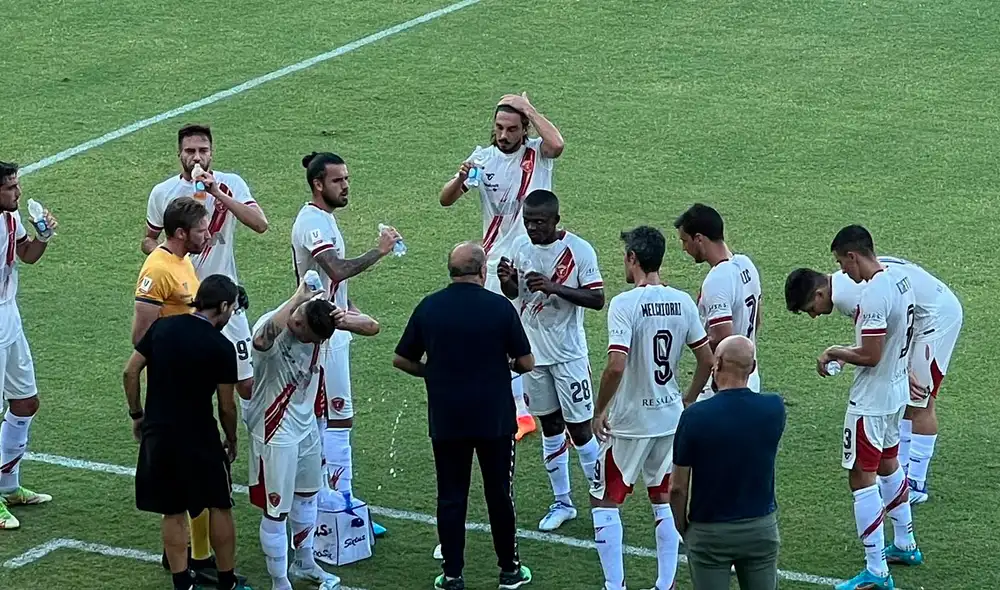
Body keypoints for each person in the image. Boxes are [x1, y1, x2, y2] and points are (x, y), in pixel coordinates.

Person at [393, 242, 535, 590]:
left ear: (450, 271)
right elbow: (527, 362)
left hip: (448, 417)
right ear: (483, 271)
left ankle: (453, 574)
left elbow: (401, 359)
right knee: (500, 493)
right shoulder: (499, 308)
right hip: (495, 419)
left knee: (451, 496)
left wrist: (433, 372)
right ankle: (509, 570)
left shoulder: (430, 308)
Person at [590, 226, 714, 590]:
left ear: (633, 259)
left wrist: (600, 411)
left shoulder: (625, 304)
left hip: (630, 422)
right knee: (662, 497)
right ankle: (665, 584)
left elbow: (615, 365)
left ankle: (615, 586)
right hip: (669, 418)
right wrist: (687, 399)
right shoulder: (682, 301)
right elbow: (706, 359)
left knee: (605, 499)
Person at [784, 256, 963, 504]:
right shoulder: (849, 281)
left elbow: (884, 338)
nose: (814, 316)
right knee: (907, 396)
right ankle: (901, 472)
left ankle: (916, 483)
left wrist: (903, 367)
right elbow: (877, 335)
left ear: (818, 294)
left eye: (810, 309)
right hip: (922, 313)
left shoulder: (849, 296)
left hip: (936, 318)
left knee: (920, 399)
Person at [440, 93, 565, 440]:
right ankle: (521, 412)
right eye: (499, 127)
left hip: (541, 256)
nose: (504, 134)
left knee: (546, 330)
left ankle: (553, 407)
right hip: (498, 261)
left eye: (512, 128)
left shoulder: (536, 153)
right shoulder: (481, 159)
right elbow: (446, 199)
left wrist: (530, 108)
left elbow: (558, 143)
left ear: (524, 129)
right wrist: (459, 179)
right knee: (504, 334)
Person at [290, 152, 395, 535]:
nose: (346, 185)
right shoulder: (311, 222)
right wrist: (379, 252)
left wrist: (351, 310)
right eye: (338, 180)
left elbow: (333, 282)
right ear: (318, 184)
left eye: (347, 178)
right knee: (330, 417)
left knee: (333, 416)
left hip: (335, 327)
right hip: (320, 335)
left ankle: (336, 500)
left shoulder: (326, 220)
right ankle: (330, 502)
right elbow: (335, 268)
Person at [123, 275, 249, 590]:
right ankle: (226, 580)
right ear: (222, 307)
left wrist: (137, 415)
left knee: (172, 510)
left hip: (159, 433)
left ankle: (182, 582)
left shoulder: (163, 328)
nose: (231, 313)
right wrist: (231, 439)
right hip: (198, 436)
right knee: (219, 504)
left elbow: (130, 371)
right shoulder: (221, 346)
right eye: (231, 308)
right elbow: (226, 407)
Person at [818, 225, 924, 590]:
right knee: (888, 463)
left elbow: (870, 354)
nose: (844, 272)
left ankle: (877, 570)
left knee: (861, 477)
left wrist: (834, 352)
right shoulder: (901, 281)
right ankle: (906, 542)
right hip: (895, 394)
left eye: (841, 263)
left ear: (852, 255)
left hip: (871, 401)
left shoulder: (876, 292)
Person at [496, 189, 604, 532]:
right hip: (533, 356)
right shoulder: (520, 247)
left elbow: (597, 298)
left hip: (569, 354)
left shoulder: (579, 250)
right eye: (528, 222)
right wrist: (508, 283)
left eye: (539, 223)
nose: (532, 229)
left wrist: (554, 288)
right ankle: (563, 502)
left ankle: (601, 496)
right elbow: (514, 295)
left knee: (581, 429)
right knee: (550, 427)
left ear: (556, 220)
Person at [141, 123, 268, 401]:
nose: (196, 157)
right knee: (186, 381)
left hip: (226, 299)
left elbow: (260, 224)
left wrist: (217, 194)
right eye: (189, 151)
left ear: (212, 153)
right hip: (184, 301)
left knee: (246, 384)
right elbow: (148, 240)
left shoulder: (230, 183)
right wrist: (171, 259)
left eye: (202, 150)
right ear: (179, 154)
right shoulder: (163, 192)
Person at [133, 196, 224, 582]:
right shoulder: (158, 269)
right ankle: (184, 562)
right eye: (203, 228)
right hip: (172, 390)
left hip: (188, 383)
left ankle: (191, 559)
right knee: (183, 486)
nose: (209, 233)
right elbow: (142, 337)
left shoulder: (183, 261)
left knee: (193, 485)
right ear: (182, 232)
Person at [245, 278, 358, 590]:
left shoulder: (317, 332)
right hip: (274, 430)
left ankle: (305, 562)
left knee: (307, 498)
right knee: (276, 509)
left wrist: (342, 315)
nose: (298, 329)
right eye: (300, 325)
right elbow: (261, 341)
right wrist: (297, 297)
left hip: (305, 427)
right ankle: (279, 582)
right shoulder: (276, 325)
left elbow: (371, 327)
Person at [670, 335, 785, 590]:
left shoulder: (694, 417)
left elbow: (677, 488)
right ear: (752, 367)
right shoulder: (774, 408)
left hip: (710, 531)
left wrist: (685, 529)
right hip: (760, 528)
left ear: (717, 364)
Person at [0, 161, 58, 531]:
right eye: (10, 188)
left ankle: (7, 485)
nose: (18, 193)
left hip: (10, 316)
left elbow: (27, 255)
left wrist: (43, 236)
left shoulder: (10, 217)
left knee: (26, 401)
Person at [673, 204, 762, 403]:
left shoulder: (717, 279)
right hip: (750, 376)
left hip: (725, 385)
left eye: (685, 241)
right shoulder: (746, 264)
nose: (684, 248)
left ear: (699, 239)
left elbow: (722, 339)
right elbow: (757, 321)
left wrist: (692, 338)